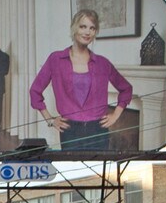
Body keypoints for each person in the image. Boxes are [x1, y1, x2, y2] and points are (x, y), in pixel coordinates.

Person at [28, 8, 133, 152]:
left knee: (98, 166)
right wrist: (50, 120)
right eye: (83, 26)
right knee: (73, 166)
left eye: (92, 28)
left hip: (98, 129)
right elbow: (35, 90)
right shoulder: (56, 59)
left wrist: (115, 115)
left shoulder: (103, 63)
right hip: (70, 130)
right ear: (74, 28)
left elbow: (126, 89)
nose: (87, 32)